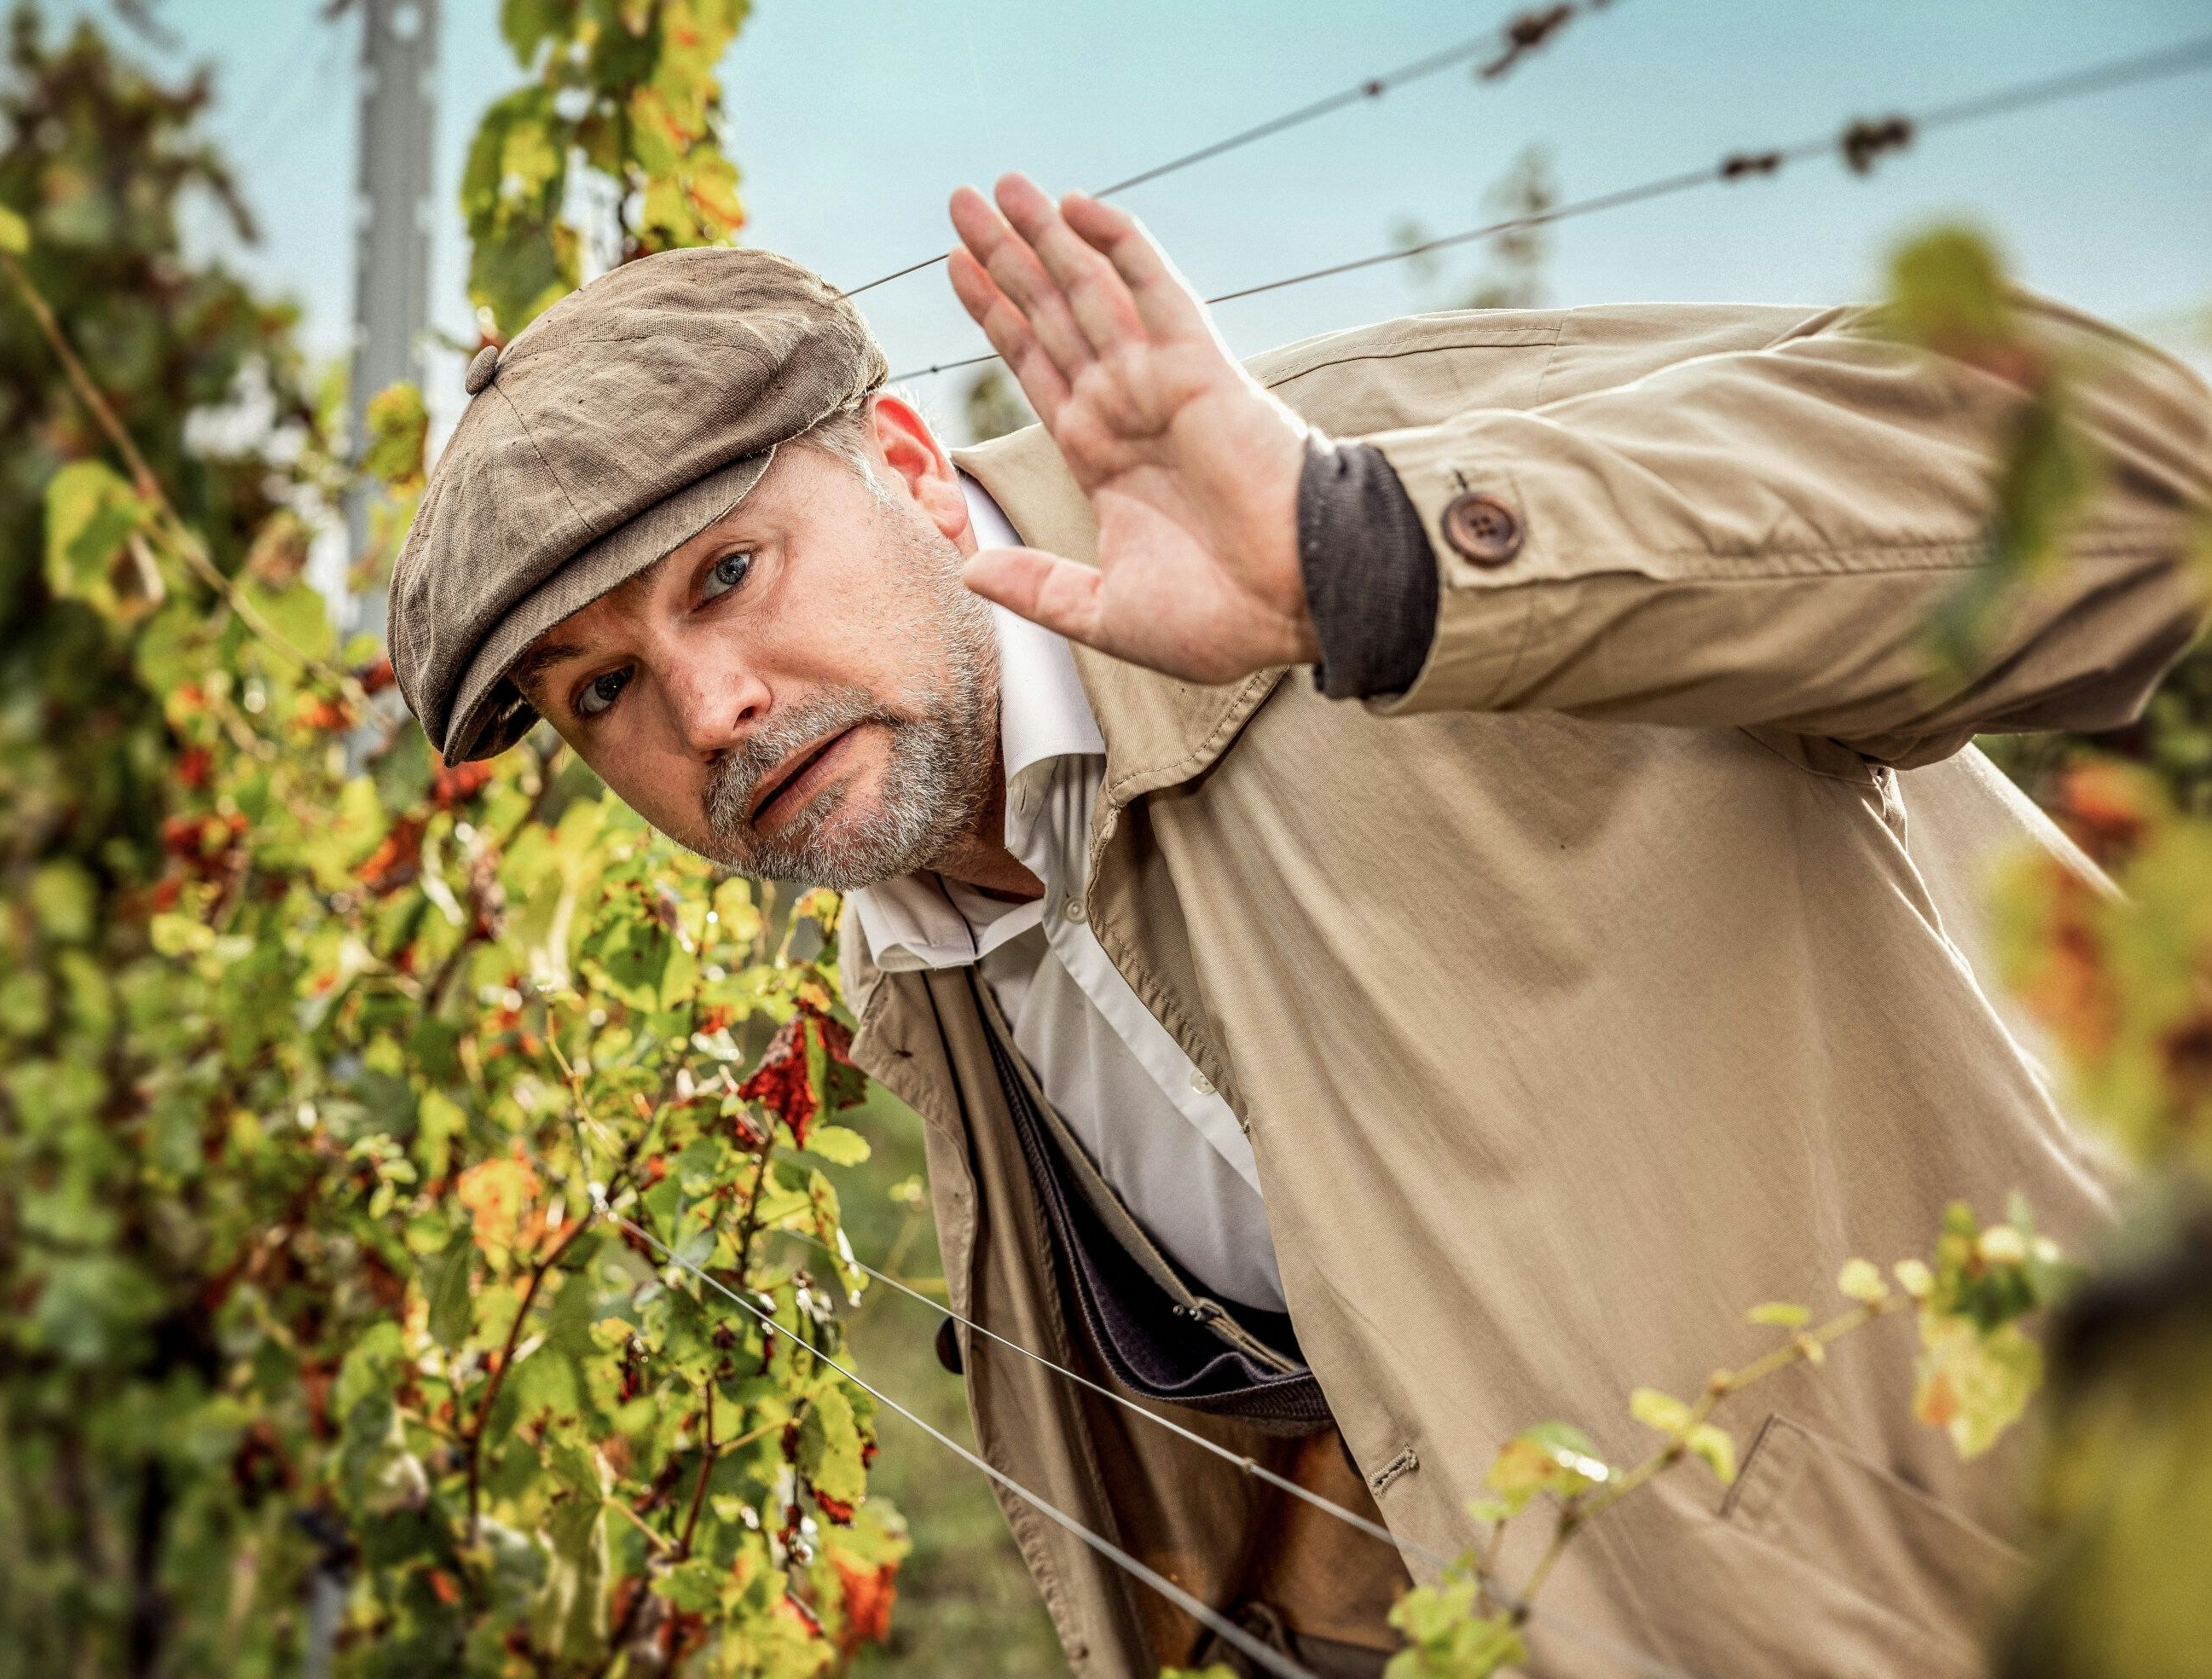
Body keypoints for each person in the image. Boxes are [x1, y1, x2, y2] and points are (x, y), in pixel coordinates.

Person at [384, 175, 2212, 1678]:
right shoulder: (925, 954)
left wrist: (1380, 561)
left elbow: (2133, 474)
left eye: (726, 572)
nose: (703, 709)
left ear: (910, 469)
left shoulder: (1348, 480)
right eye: (601, 687)